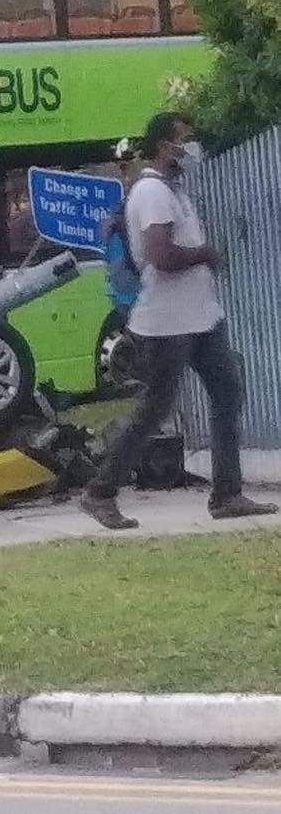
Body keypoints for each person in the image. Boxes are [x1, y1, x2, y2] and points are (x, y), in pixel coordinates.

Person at [81, 112, 277, 530]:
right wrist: (205, 254)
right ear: (164, 146)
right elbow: (160, 256)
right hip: (167, 323)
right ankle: (100, 492)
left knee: (228, 393)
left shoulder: (173, 190)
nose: (190, 148)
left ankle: (227, 494)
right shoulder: (152, 192)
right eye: (184, 140)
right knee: (154, 410)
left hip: (201, 317)